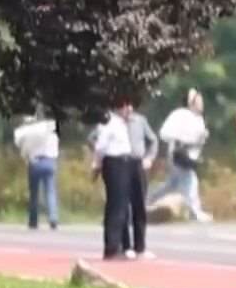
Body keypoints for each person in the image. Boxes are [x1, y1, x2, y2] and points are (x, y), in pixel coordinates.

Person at [153, 90, 212, 223]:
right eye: (199, 101)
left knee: (171, 185)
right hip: (178, 155)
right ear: (191, 103)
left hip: (190, 157)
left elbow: (198, 139)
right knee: (191, 181)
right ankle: (195, 212)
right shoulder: (180, 114)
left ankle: (146, 200)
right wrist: (185, 139)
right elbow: (164, 133)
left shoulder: (199, 118)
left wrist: (202, 137)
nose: (202, 104)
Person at [91, 102, 135, 260]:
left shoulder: (121, 124)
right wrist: (96, 166)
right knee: (116, 206)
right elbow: (100, 147)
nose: (130, 110)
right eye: (126, 106)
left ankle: (122, 245)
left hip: (124, 162)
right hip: (114, 163)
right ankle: (112, 247)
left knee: (122, 206)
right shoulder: (110, 122)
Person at [121, 103, 159, 259]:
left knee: (140, 206)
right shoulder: (113, 121)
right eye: (125, 105)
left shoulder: (140, 120)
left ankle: (140, 246)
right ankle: (125, 246)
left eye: (130, 105)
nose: (128, 109)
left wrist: (149, 158)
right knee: (122, 206)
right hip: (120, 163)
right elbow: (94, 138)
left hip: (138, 164)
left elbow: (153, 140)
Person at [13, 113, 60, 231]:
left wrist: (26, 157)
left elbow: (25, 150)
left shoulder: (28, 133)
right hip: (50, 161)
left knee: (34, 193)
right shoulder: (51, 133)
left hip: (35, 162)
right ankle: (53, 218)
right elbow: (55, 149)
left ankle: (33, 221)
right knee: (50, 191)